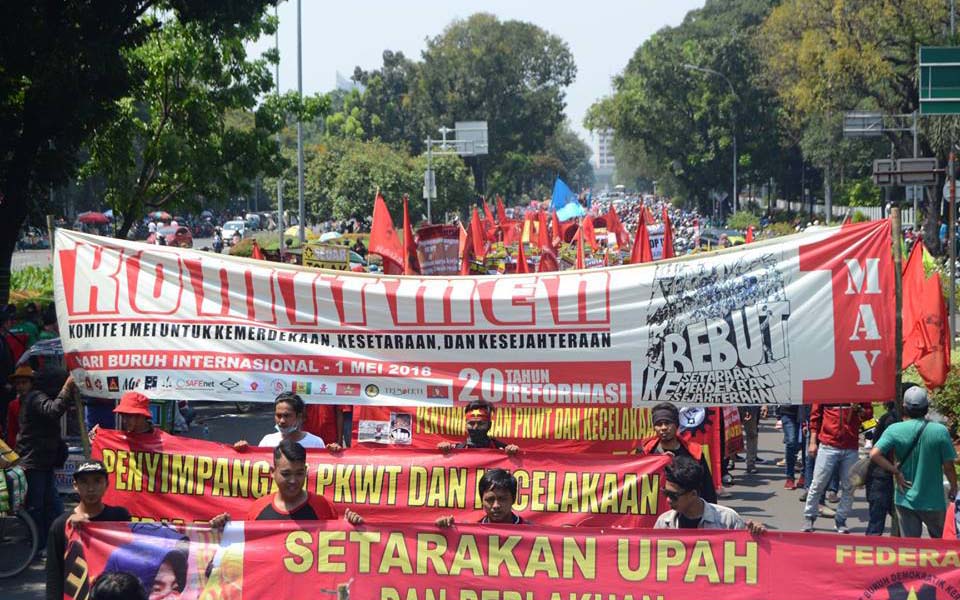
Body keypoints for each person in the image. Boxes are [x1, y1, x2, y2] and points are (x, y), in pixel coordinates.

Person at [870, 387, 957, 538]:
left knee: (910, 547)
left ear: (904, 407)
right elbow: (948, 466)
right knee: (941, 546)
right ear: (927, 407)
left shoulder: (894, 429)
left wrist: (895, 471)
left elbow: (874, 454)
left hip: (905, 498)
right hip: (933, 500)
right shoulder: (940, 431)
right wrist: (954, 487)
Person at [46, 460, 132, 600]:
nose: (91, 488)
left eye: (97, 481)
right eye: (84, 482)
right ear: (75, 485)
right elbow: (54, 576)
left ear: (107, 484)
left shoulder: (119, 518)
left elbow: (132, 557)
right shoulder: (61, 525)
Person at [15, 369, 76, 556]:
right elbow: (54, 410)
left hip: (41, 461)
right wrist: (67, 388)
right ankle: (41, 543)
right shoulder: (35, 397)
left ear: (32, 382)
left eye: (24, 382)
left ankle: (54, 541)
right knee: (39, 506)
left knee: (52, 504)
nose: (20, 387)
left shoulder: (33, 398)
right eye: (19, 383)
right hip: (35, 462)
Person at [245, 439, 362, 523]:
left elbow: (336, 546)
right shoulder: (258, 509)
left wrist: (350, 529)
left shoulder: (323, 507)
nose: (293, 480)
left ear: (306, 471)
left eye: (299, 473)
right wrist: (226, 530)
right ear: (272, 472)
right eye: (286, 474)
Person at [802, 401, 872, 533]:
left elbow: (869, 415)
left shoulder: (860, 390)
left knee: (849, 486)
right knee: (818, 483)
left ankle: (841, 520)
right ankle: (809, 516)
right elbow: (815, 417)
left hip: (850, 446)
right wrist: (812, 442)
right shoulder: (827, 388)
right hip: (828, 445)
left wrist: (859, 410)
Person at [654, 456, 765, 533]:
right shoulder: (664, 523)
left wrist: (757, 534)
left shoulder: (728, 520)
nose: (668, 499)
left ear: (693, 494)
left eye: (673, 495)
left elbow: (748, 554)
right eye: (666, 493)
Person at [634, 402, 716, 503]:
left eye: (667, 423)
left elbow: (707, 488)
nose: (663, 428)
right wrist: (658, 462)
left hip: (686, 509)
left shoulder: (694, 453)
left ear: (676, 425)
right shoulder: (645, 451)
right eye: (659, 424)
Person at [234, 392, 339, 451]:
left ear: (299, 417)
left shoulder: (315, 443)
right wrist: (244, 452)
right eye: (278, 416)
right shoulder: (267, 441)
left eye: (287, 416)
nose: (282, 421)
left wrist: (334, 454)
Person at [435, 468, 527, 527]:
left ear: (513, 499)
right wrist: (444, 530)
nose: (496, 505)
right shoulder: (470, 532)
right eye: (490, 500)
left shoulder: (532, 531)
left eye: (502, 499)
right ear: (482, 500)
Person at [864, 400, 899, 536]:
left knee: (876, 522)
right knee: (879, 522)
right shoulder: (891, 420)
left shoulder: (886, 418)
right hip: (883, 475)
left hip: (879, 475)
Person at [437, 401, 519, 456]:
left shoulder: (502, 449)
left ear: (489, 426)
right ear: (465, 425)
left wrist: (514, 453)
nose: (475, 427)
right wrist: (443, 451)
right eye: (471, 423)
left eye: (480, 424)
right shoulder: (455, 450)